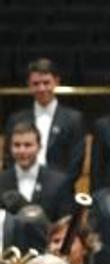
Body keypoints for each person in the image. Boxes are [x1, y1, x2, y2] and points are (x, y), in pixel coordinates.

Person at [5, 58, 86, 190]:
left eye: (46, 83)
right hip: (21, 188)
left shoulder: (74, 119)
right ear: (29, 85)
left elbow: (76, 163)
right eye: (36, 83)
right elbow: (8, 158)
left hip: (60, 191)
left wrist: (58, 188)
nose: (41, 88)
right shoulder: (15, 119)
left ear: (56, 82)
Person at [1, 121, 73, 222]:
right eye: (17, 145)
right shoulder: (1, 180)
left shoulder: (59, 182)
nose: (22, 150)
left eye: (28, 145)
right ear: (10, 148)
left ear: (39, 147)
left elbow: (65, 223)